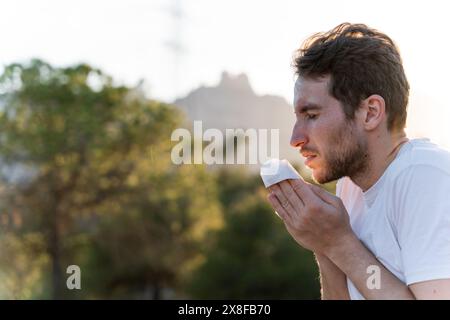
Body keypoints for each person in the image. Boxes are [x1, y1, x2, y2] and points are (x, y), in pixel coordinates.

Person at [266, 22, 450, 299]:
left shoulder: (425, 177)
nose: (295, 138)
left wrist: (340, 243)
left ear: (371, 112)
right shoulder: (351, 190)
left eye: (312, 115)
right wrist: (323, 244)